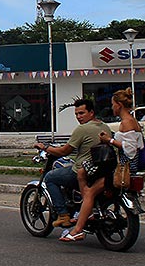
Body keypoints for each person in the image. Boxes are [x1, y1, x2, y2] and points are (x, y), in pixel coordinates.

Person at [61, 88, 142, 242]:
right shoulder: (132, 121)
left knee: (89, 189)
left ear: (119, 105)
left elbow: (130, 150)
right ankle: (87, 210)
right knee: (83, 173)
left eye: (113, 104)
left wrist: (109, 141)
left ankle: (78, 228)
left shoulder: (127, 122)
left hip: (122, 168)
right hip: (125, 167)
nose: (112, 107)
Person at [33, 97, 109, 229]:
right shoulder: (104, 126)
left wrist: (45, 147)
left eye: (82, 113)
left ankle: (63, 215)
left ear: (91, 113)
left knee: (50, 177)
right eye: (76, 114)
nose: (78, 117)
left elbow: (64, 151)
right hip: (100, 169)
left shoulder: (82, 129)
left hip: (83, 169)